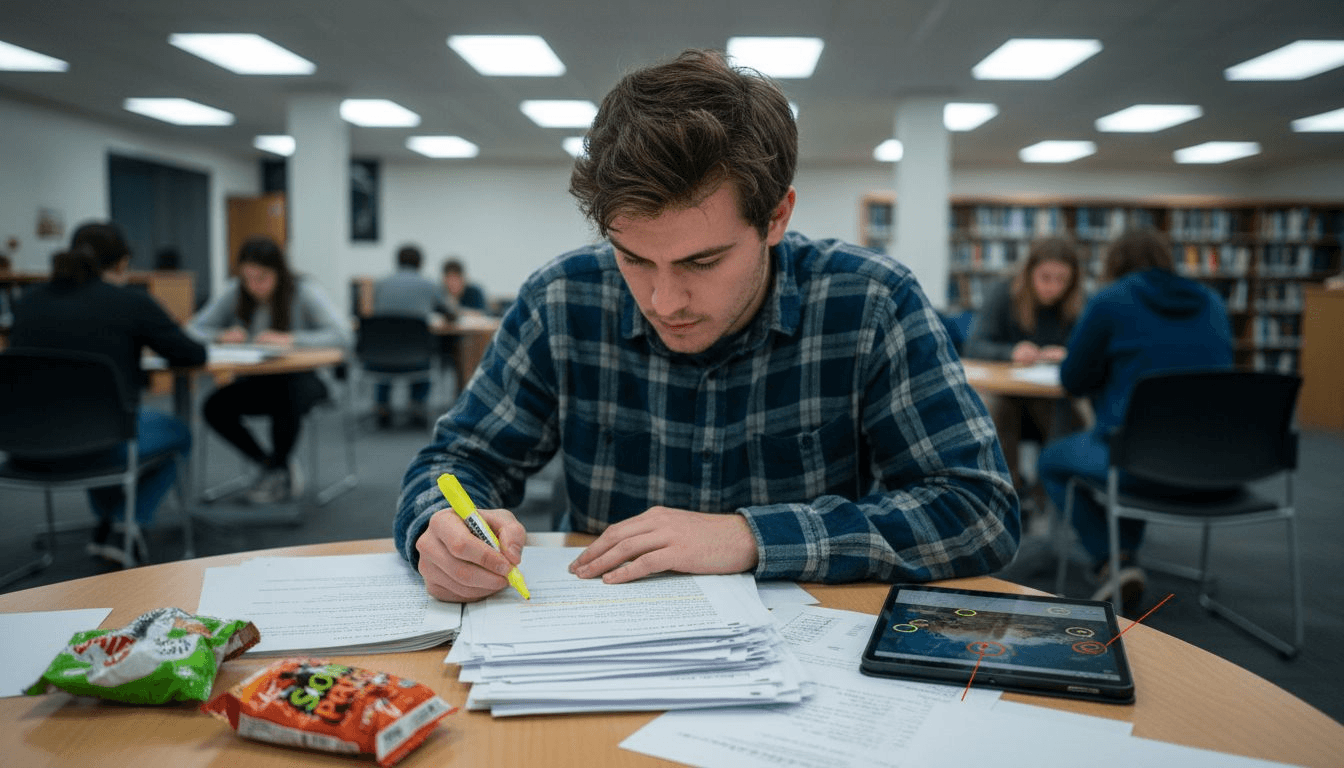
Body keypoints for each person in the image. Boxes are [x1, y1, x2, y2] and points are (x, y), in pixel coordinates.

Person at [394, 49, 1019, 603]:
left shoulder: (871, 303)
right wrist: (441, 528)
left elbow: (977, 509)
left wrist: (751, 536)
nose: (664, 300)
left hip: (801, 669)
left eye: (703, 261)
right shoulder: (562, 299)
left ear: (775, 218)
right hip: (596, 642)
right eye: (634, 258)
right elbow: (454, 461)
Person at [1038, 228, 1233, 613]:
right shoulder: (1213, 303)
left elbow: (1072, 380)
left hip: (1140, 466)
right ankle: (1124, 551)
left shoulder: (1111, 300)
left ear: (1115, 263)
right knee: (1133, 443)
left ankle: (1113, 561)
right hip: (1221, 467)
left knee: (1053, 460)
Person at [6, 221, 206, 564]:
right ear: (122, 263)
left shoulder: (26, 302)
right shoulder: (130, 303)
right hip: (99, 445)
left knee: (91, 423)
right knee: (177, 434)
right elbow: (192, 354)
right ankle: (127, 522)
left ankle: (111, 520)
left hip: (23, 449)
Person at [187, 236, 351, 504]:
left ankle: (276, 470)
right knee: (214, 406)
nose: (254, 286)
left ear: (279, 272)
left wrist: (292, 339)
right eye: (247, 278)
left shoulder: (303, 291)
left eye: (261, 278)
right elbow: (193, 329)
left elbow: (343, 336)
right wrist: (221, 335)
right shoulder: (236, 292)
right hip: (259, 379)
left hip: (308, 379)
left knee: (286, 396)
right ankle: (273, 466)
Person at [963, 236, 1085, 497]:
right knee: (997, 408)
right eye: (1045, 277)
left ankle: (1048, 497)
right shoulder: (1003, 293)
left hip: (1051, 399)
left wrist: (1068, 354)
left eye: (1062, 279)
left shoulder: (1078, 303)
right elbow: (974, 346)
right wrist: (1012, 352)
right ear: (1029, 272)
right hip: (1008, 396)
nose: (1053, 287)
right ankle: (1010, 492)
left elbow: (1089, 352)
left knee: (1060, 413)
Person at [370, 244, 449, 428]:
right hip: (417, 357)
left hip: (379, 356)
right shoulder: (430, 284)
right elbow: (448, 312)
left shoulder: (380, 283)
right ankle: (417, 407)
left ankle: (382, 408)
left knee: (387, 349)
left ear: (396, 262)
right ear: (420, 263)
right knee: (425, 350)